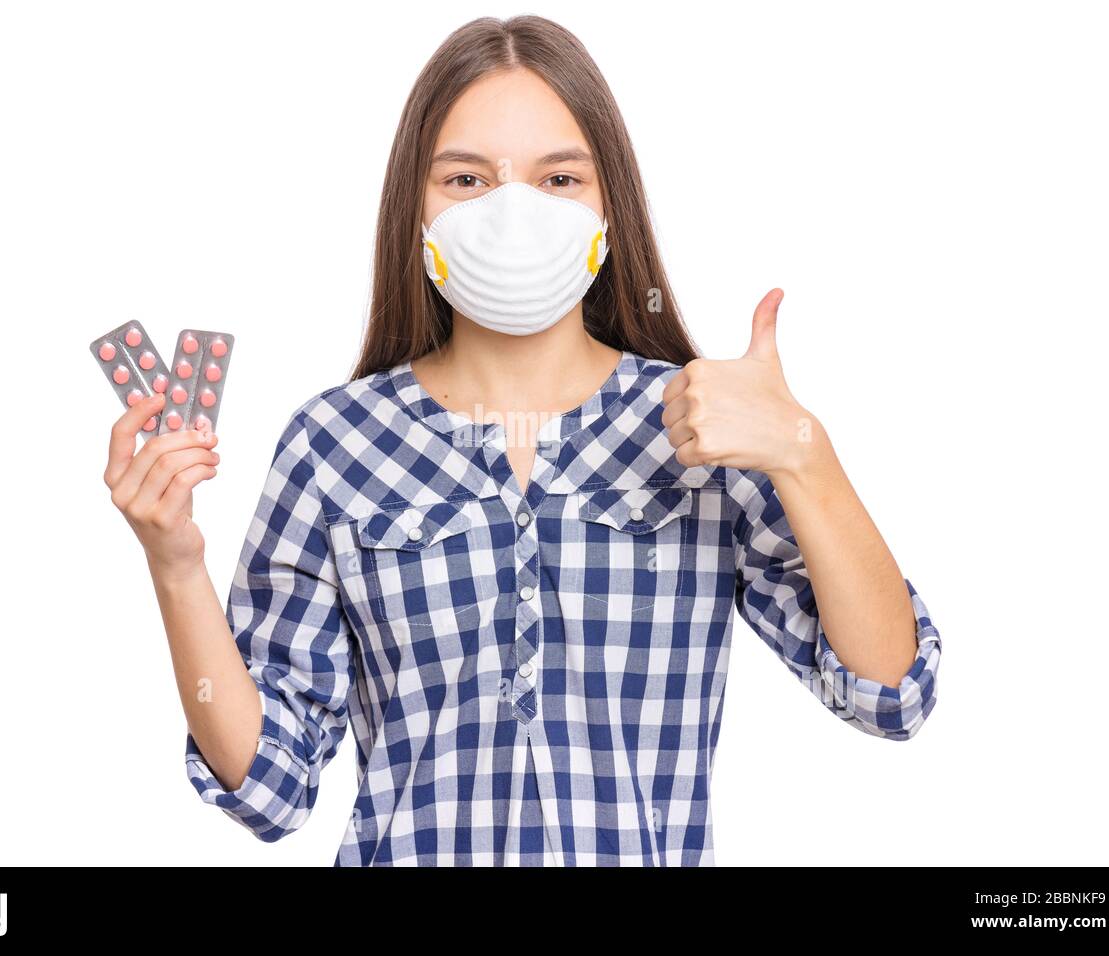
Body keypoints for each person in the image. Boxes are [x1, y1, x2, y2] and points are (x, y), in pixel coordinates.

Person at [103, 15, 941, 866]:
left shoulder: (705, 424)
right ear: (415, 208)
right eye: (466, 178)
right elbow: (267, 787)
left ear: (609, 205)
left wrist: (804, 452)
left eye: (558, 178)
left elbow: (891, 695)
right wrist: (175, 565)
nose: (512, 213)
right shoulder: (334, 442)